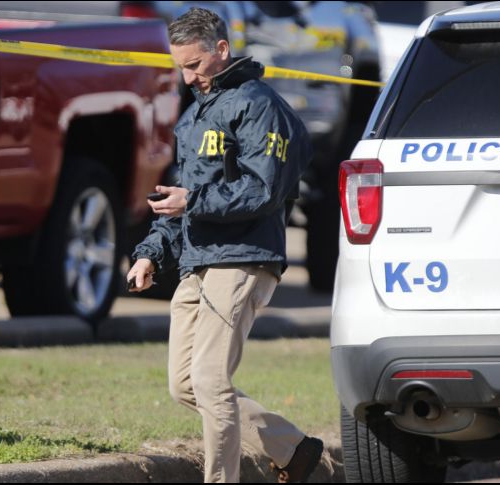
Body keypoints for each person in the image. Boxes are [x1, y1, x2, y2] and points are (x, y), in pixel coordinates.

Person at [127, 7, 321, 483]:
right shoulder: (195, 115)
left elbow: (263, 189)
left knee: (211, 381)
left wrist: (191, 200)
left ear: (221, 49)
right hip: (198, 260)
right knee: (185, 384)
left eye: (195, 65)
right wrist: (151, 252)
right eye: (180, 67)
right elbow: (183, 200)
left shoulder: (259, 105)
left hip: (243, 258)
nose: (188, 77)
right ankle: (293, 450)